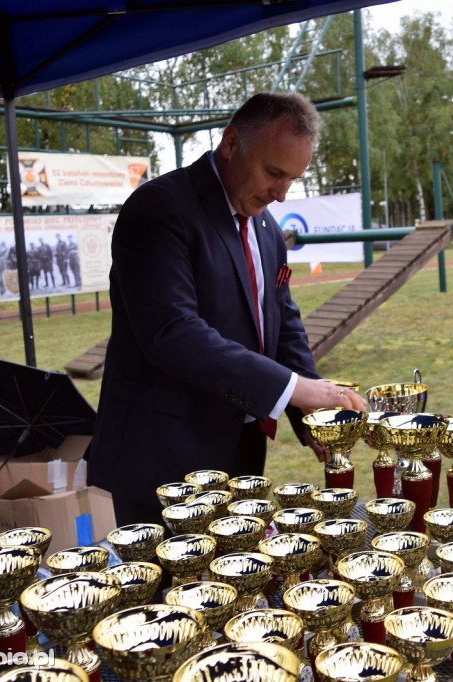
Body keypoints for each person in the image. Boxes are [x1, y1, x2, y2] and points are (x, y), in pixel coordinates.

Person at [89, 92, 367, 527]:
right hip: (163, 460)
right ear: (232, 142)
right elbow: (173, 332)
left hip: (239, 455)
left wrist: (313, 412)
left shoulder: (267, 229)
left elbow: (283, 325)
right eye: (274, 173)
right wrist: (296, 389)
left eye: (293, 179)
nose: (280, 194)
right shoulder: (159, 210)